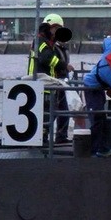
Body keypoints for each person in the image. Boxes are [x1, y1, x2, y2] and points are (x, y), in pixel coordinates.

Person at [28, 13, 75, 141]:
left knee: (54, 111)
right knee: (47, 113)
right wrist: (64, 65)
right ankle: (42, 137)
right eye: (57, 29)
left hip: (48, 82)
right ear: (51, 28)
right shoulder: (40, 42)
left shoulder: (49, 43)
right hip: (40, 82)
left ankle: (52, 136)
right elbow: (46, 58)